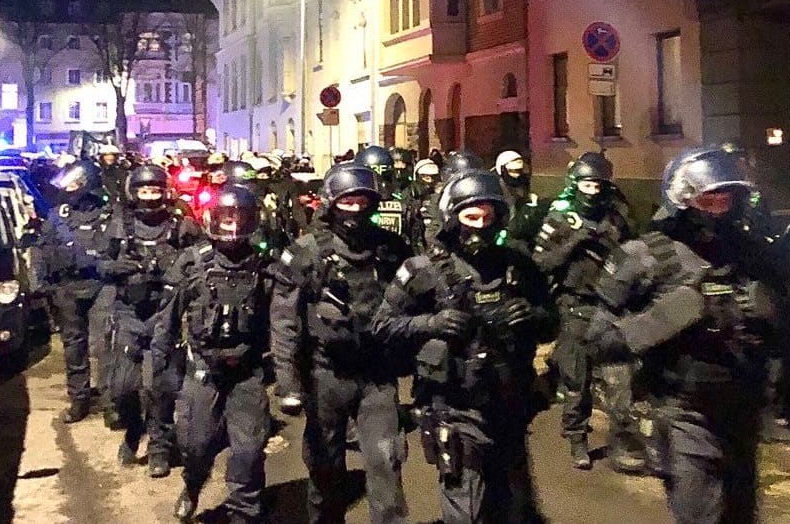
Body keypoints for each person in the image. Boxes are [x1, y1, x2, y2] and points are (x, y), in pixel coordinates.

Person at [585, 145, 782, 524]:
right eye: (709, 201)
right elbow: (596, 340)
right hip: (683, 412)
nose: (719, 211)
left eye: (727, 201)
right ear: (684, 200)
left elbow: (785, 327)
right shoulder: (644, 255)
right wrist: (666, 317)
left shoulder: (750, 254)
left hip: (743, 410)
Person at [374, 170, 554, 523]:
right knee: (465, 507)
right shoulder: (423, 269)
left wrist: (532, 315)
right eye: (471, 216)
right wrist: (430, 323)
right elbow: (383, 325)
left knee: (510, 507)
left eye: (489, 217)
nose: (480, 225)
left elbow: (551, 321)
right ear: (452, 217)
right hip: (453, 405)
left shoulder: (517, 265)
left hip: (508, 404)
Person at [273, 164, 413, 524]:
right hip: (325, 377)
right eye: (347, 202)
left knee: (386, 464)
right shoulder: (306, 252)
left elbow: (418, 304)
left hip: (376, 377)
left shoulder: (392, 249)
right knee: (325, 469)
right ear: (331, 203)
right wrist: (288, 383)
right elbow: (285, 321)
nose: (355, 210)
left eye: (362, 202)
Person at [153, 184, 276, 523]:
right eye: (226, 218)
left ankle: (244, 511)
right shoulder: (192, 262)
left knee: (249, 451)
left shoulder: (265, 265)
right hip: (203, 368)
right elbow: (166, 319)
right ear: (212, 219)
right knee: (195, 445)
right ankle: (193, 484)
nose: (233, 226)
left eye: (240, 218)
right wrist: (160, 369)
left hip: (247, 372)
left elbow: (285, 319)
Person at [533, 152, 638, 472]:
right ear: (575, 185)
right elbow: (540, 263)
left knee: (620, 379)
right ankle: (577, 437)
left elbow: (636, 254)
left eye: (597, 185)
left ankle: (623, 438)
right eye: (586, 184)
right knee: (576, 380)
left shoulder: (617, 219)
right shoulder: (561, 219)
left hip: (610, 307)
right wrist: (573, 244)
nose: (592, 191)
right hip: (573, 305)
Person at [101, 164, 193, 473]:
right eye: (144, 191)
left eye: (155, 191)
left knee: (159, 387)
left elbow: (199, 263)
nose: (150, 197)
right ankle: (133, 429)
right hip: (128, 313)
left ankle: (159, 448)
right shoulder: (121, 225)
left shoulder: (180, 226)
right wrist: (125, 268)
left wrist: (173, 273)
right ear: (133, 192)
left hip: (164, 315)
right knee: (122, 388)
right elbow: (101, 264)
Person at [37, 159, 123, 423]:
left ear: (87, 185)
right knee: (74, 346)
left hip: (101, 285)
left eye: (75, 183)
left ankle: (111, 404)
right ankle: (79, 400)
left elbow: (121, 251)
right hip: (66, 287)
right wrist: (40, 284)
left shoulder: (110, 213)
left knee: (105, 346)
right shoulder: (57, 214)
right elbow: (42, 248)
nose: (69, 188)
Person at [495, 151, 544, 245]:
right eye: (512, 171)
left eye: (519, 171)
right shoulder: (498, 186)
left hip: (521, 227)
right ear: (502, 169)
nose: (516, 175)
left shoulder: (522, 182)